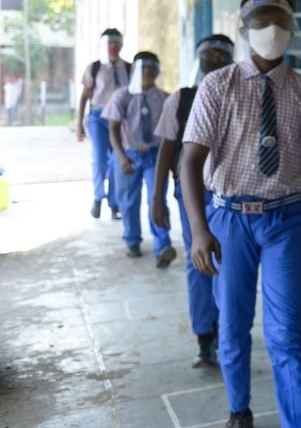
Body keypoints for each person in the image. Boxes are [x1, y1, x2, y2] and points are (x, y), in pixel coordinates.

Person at [180, 0, 301, 428]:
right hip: (229, 219)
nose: (272, 29)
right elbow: (189, 161)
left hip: (286, 219)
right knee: (233, 325)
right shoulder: (218, 86)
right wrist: (199, 229)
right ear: (246, 27)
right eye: (262, 21)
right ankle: (239, 414)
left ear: (291, 29)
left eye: (280, 21)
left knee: (288, 337)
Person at [152, 34, 235, 368]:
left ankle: (227, 327)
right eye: (207, 53)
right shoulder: (182, 99)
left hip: (229, 192)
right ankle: (205, 335)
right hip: (191, 193)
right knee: (198, 259)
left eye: (220, 53)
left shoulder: (241, 95)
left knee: (230, 261)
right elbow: (167, 151)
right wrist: (156, 198)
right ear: (198, 58)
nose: (213, 58)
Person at [103, 51, 176, 264]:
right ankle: (132, 240)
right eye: (143, 69)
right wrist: (121, 157)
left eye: (152, 69)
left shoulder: (164, 98)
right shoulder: (122, 96)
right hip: (129, 153)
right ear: (134, 71)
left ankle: (163, 245)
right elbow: (113, 129)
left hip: (155, 154)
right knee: (129, 200)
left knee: (157, 198)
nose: (148, 73)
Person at [78, 28, 127, 220]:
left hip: (120, 119)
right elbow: (84, 97)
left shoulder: (129, 68)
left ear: (121, 44)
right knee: (99, 159)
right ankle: (98, 197)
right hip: (98, 117)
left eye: (116, 42)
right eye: (109, 42)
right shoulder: (95, 68)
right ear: (104, 45)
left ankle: (114, 203)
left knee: (117, 160)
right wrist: (80, 123)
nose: (113, 46)